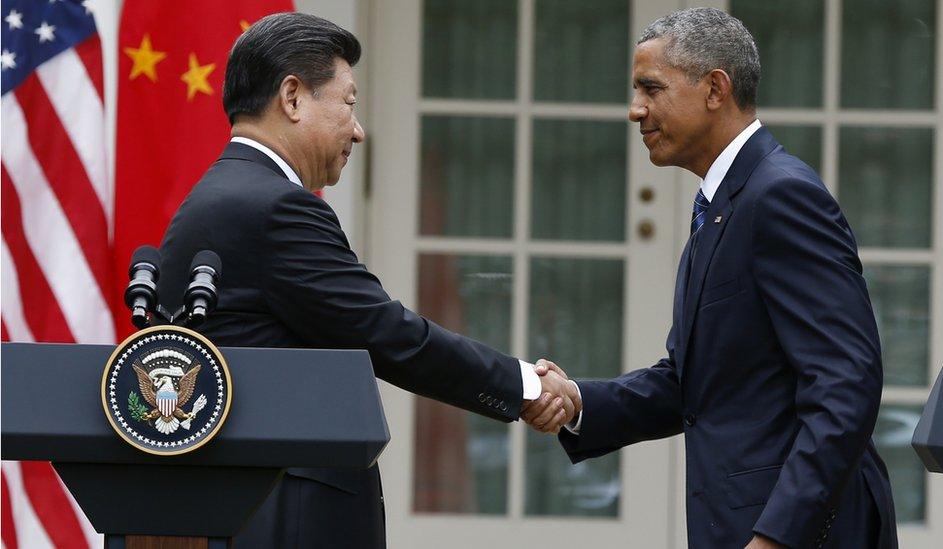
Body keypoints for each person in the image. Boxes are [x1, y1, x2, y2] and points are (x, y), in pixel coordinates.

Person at [156, 13, 578, 549]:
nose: (358, 129)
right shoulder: (275, 206)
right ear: (292, 98)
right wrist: (526, 386)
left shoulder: (220, 194)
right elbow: (385, 332)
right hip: (285, 515)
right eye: (349, 102)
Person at [525, 7, 897, 549]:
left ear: (715, 89)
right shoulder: (721, 204)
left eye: (651, 89)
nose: (635, 110)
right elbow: (692, 384)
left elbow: (845, 384)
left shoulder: (779, 196)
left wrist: (775, 538)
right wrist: (579, 401)